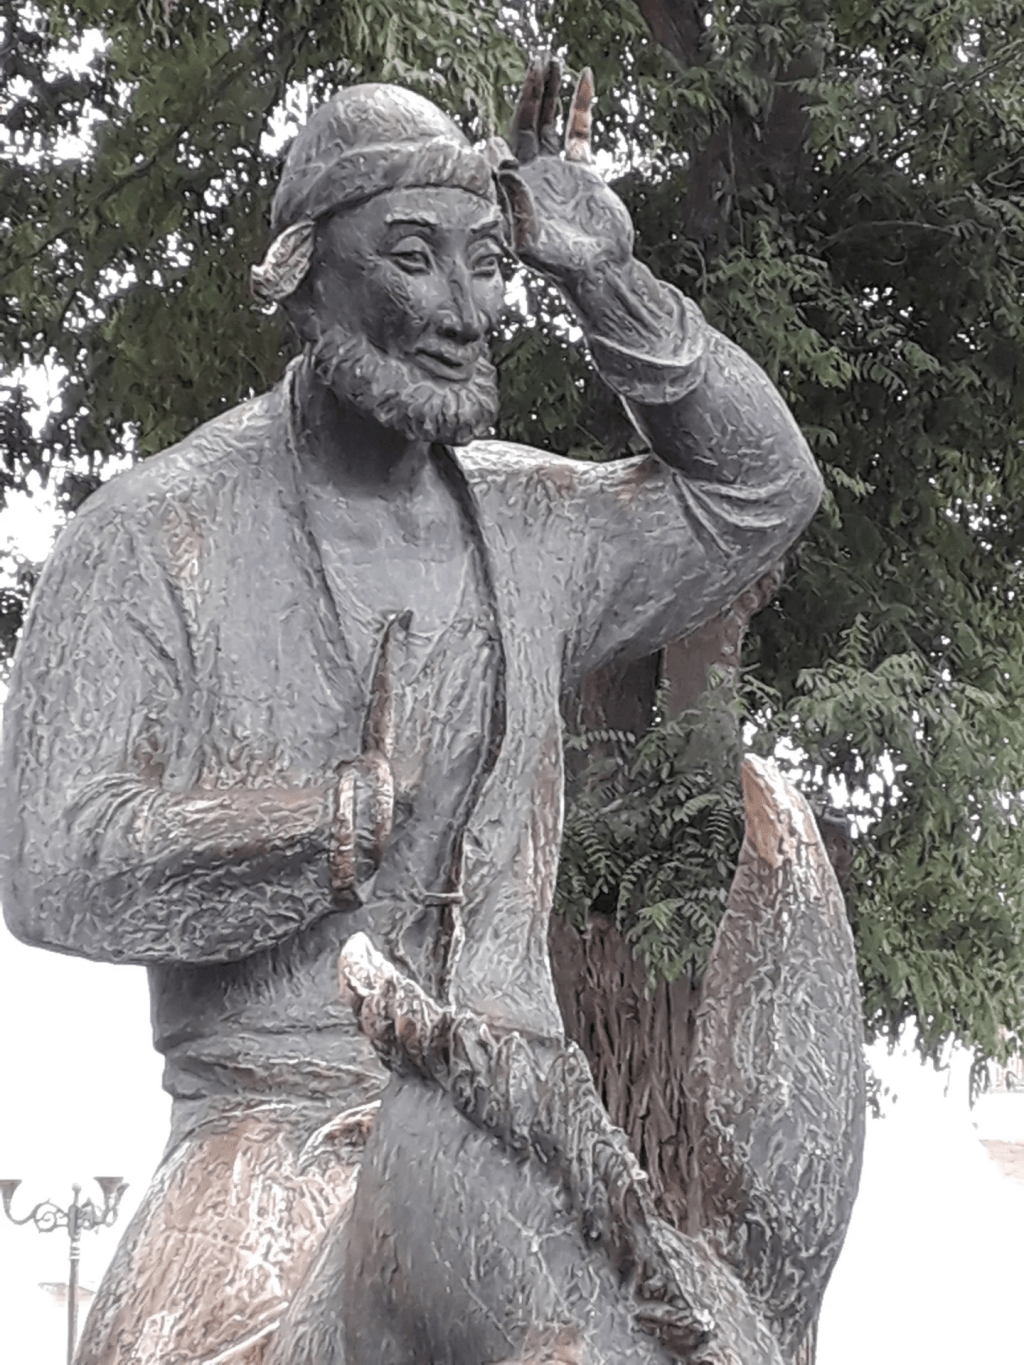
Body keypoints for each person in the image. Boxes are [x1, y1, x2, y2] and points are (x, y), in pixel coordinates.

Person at [1, 55, 823, 1365]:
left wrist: (603, 275)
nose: (463, 307)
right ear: (303, 273)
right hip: (269, 1125)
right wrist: (317, 829)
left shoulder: (536, 522)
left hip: (528, 1129)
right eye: (411, 258)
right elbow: (50, 865)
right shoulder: (152, 535)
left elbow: (762, 494)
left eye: (486, 264)